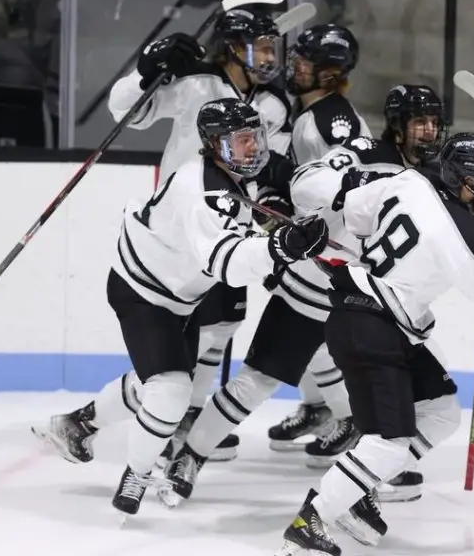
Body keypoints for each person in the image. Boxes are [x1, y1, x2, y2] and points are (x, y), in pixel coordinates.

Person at [156, 83, 449, 508]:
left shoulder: (433, 175)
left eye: (434, 122)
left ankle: (383, 465)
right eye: (418, 122)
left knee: (391, 389)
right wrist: (355, 189)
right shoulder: (366, 151)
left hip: (375, 300)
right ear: (398, 127)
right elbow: (305, 182)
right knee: (256, 382)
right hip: (316, 285)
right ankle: (190, 456)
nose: (427, 131)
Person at [33, 98, 329, 518]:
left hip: (178, 298)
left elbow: (263, 189)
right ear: (213, 145)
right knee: (171, 391)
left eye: (256, 137)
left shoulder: (231, 173)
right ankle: (135, 476)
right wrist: (280, 247)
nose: (253, 148)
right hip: (145, 293)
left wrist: (276, 212)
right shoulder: (201, 188)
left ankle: (78, 423)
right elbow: (226, 263)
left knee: (159, 381)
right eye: (240, 140)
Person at [275, 132, 474, 555]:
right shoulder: (461, 235)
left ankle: (356, 486)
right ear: (465, 180)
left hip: (371, 321)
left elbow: (356, 216)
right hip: (372, 329)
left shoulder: (408, 181)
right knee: (388, 443)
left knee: (440, 412)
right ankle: (311, 521)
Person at [99, 7, 294, 464]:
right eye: (261, 47)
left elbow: (269, 168)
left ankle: (183, 413)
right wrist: (147, 68)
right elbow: (128, 111)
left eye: (272, 48)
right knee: (185, 334)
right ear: (233, 49)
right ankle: (158, 415)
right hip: (182, 236)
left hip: (232, 235)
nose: (269, 57)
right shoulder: (195, 84)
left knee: (222, 325)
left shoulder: (273, 105)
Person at [258, 23, 372, 462]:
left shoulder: (331, 118)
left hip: (333, 248)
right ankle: (319, 408)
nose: (293, 68)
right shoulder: (309, 112)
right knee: (314, 334)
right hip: (311, 242)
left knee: (316, 333)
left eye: (303, 63)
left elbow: (343, 186)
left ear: (328, 73)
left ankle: (355, 420)